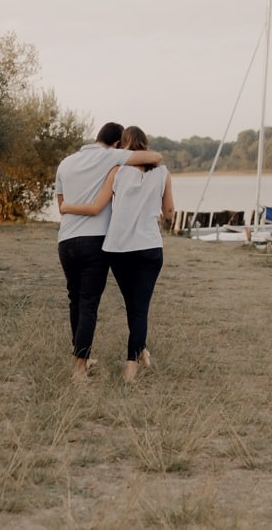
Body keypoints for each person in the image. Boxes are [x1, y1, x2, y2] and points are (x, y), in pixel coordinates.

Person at [60, 125, 172, 383]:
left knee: (119, 304)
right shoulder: (155, 171)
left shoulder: (112, 170)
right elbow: (168, 209)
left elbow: (97, 205)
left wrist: (66, 207)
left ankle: (127, 354)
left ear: (124, 145)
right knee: (138, 308)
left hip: (116, 248)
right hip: (147, 247)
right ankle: (129, 365)